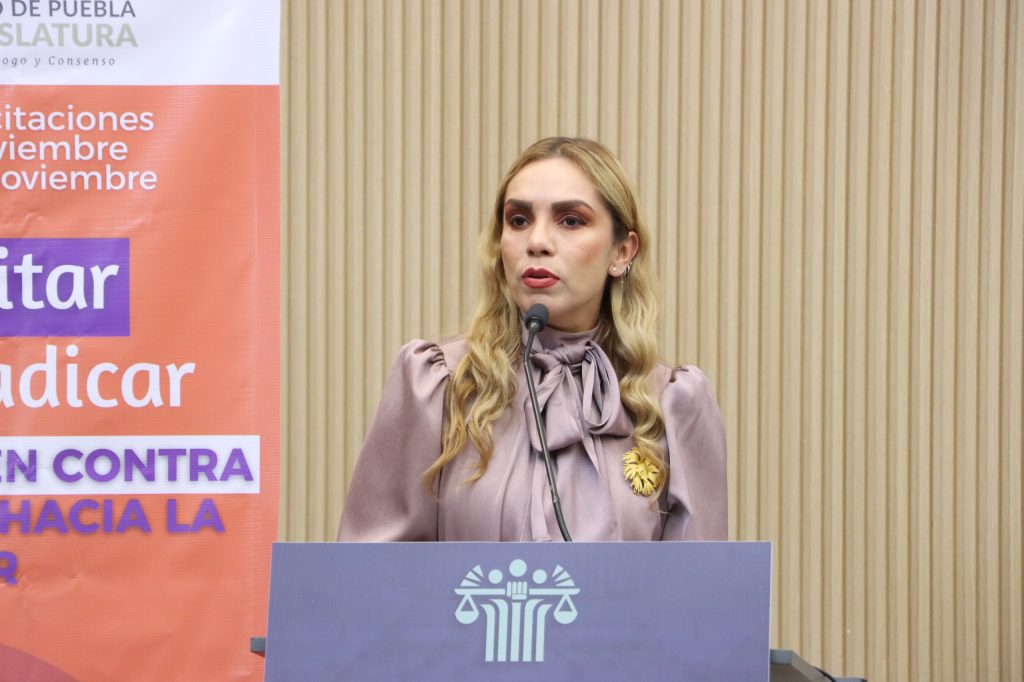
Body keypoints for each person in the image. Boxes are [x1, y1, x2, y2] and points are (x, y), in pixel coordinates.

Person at [338, 137, 727, 542]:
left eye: (570, 221)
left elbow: (699, 580)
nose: (536, 242)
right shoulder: (436, 385)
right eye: (519, 220)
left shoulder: (673, 404)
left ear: (622, 252)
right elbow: (371, 572)